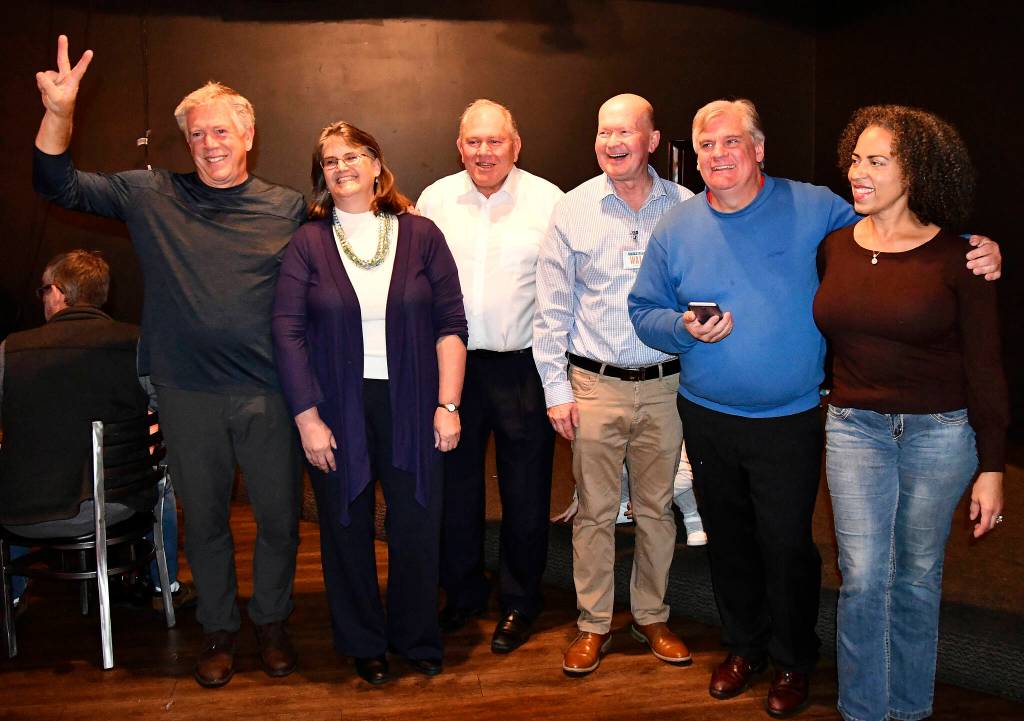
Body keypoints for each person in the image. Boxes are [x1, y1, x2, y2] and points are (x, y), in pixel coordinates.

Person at [628, 98, 1001, 717]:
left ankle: (795, 658)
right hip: (707, 413)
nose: (717, 156)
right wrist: (682, 329)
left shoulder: (817, 209)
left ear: (759, 149)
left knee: (787, 546)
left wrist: (977, 246)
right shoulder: (676, 227)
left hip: (794, 418)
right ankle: (744, 646)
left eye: (730, 143)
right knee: (730, 542)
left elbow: (902, 229)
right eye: (705, 146)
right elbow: (644, 313)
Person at [32, 36, 305, 687]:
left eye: (220, 130)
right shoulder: (149, 195)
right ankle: (219, 629)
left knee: (279, 519)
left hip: (269, 392)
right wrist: (60, 111)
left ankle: (269, 621)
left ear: (248, 135)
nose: (208, 141)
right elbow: (55, 181)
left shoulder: (287, 207)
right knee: (204, 521)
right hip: (187, 394)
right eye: (195, 133)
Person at [813, 105, 1008, 721]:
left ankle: (911, 711)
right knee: (865, 576)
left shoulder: (962, 258)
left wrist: (994, 467)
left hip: (941, 435)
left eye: (877, 161)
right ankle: (863, 711)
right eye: (855, 158)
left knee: (918, 576)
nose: (857, 172)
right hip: (853, 430)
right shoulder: (834, 248)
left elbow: (985, 368)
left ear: (916, 172)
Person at [272, 121, 467, 686]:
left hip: (413, 402)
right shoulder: (307, 242)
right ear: (321, 176)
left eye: (354, 155)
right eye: (330, 161)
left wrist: (447, 405)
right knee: (345, 525)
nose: (343, 167)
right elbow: (286, 331)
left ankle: (415, 637)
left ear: (377, 164)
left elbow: (451, 325)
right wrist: (307, 417)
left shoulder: (422, 233)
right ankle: (363, 642)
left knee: (416, 523)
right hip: (336, 405)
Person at [533, 93, 696, 677]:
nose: (613, 142)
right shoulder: (572, 210)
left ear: (653, 140)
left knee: (656, 510)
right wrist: (556, 390)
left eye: (626, 132)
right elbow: (550, 310)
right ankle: (593, 623)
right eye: (604, 132)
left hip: (665, 386)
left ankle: (652, 615)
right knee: (596, 513)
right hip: (594, 385)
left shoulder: (686, 207)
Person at [416, 99, 563, 653]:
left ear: (515, 145)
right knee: (455, 489)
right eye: (473, 142)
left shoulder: (549, 200)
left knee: (526, 493)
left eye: (494, 141)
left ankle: (521, 603)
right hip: (452, 368)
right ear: (460, 147)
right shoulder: (435, 199)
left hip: (523, 365)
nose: (484, 152)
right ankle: (463, 594)